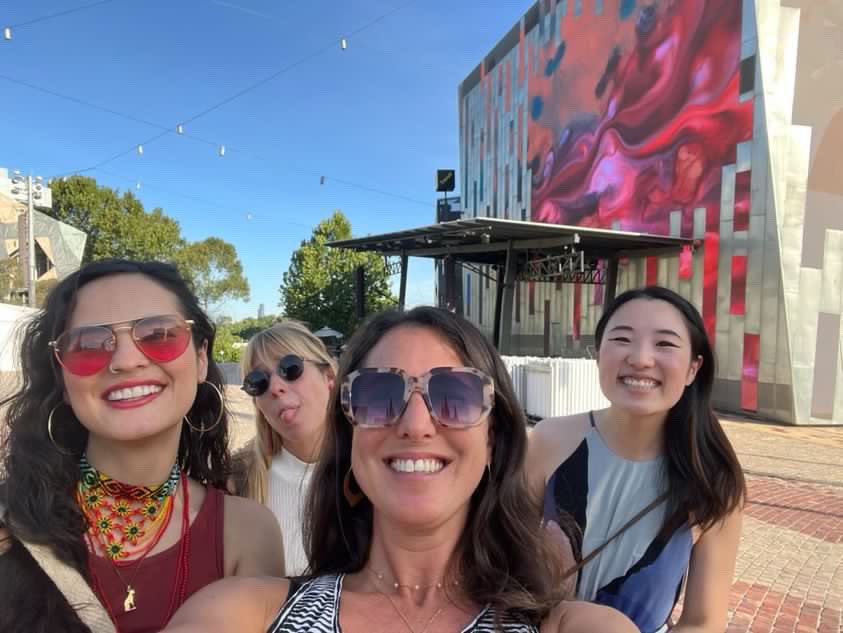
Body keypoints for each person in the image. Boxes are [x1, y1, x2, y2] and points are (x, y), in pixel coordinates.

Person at [163, 306, 636, 633]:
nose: (415, 424)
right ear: (351, 440)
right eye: (376, 395)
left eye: (455, 394)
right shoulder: (244, 613)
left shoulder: (574, 625)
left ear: (493, 439)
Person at [0, 259, 284, 633]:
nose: (126, 360)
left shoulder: (248, 534)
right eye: (88, 344)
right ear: (63, 380)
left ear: (200, 360)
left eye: (159, 334)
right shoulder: (11, 523)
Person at [528, 287, 746, 633]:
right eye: (622, 339)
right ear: (598, 353)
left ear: (693, 368)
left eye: (665, 344)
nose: (641, 359)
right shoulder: (549, 440)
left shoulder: (714, 479)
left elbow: (703, 622)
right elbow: (499, 560)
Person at [234, 321, 336, 575]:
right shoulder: (235, 483)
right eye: (258, 381)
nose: (276, 388)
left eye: (290, 368)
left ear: (329, 378)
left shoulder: (376, 472)